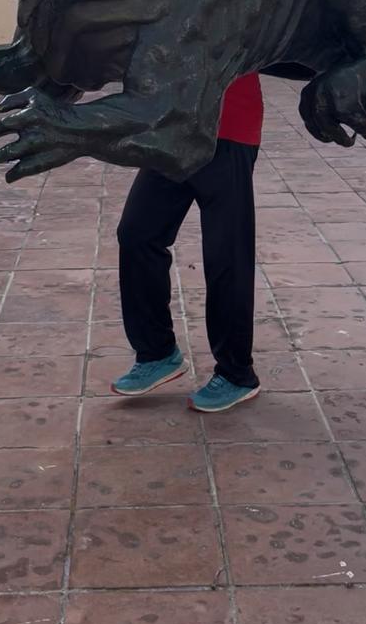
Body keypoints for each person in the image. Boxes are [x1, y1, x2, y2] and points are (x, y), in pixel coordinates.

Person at [111, 72, 264, 413]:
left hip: (229, 127)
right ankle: (157, 352)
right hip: (174, 129)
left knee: (226, 255)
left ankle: (237, 374)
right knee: (137, 234)